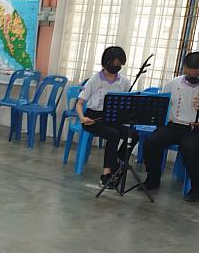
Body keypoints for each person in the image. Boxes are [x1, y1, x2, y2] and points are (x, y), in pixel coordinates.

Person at [143, 52, 199, 202]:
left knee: (190, 148)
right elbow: (161, 105)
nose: (191, 77)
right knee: (152, 142)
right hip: (173, 126)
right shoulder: (173, 83)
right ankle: (153, 178)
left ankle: (196, 187)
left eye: (195, 75)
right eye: (188, 73)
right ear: (184, 68)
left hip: (194, 129)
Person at [76, 46, 133, 188]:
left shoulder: (124, 81)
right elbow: (79, 103)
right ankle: (107, 174)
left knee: (133, 135)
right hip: (93, 118)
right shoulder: (95, 80)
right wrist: (83, 119)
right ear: (106, 63)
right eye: (113, 65)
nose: (116, 68)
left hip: (113, 117)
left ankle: (118, 162)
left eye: (119, 65)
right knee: (113, 135)